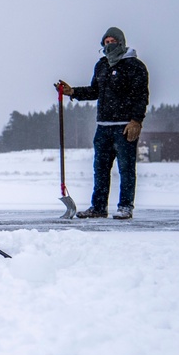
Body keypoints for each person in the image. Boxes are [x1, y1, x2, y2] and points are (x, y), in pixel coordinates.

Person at [56, 26, 148, 220]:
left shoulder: (134, 66)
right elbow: (94, 91)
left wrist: (136, 121)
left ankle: (125, 206)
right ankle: (98, 207)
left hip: (125, 127)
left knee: (126, 169)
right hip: (103, 127)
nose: (109, 45)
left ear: (121, 42)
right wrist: (73, 92)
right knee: (100, 169)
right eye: (105, 43)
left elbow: (141, 95)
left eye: (112, 42)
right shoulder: (102, 66)